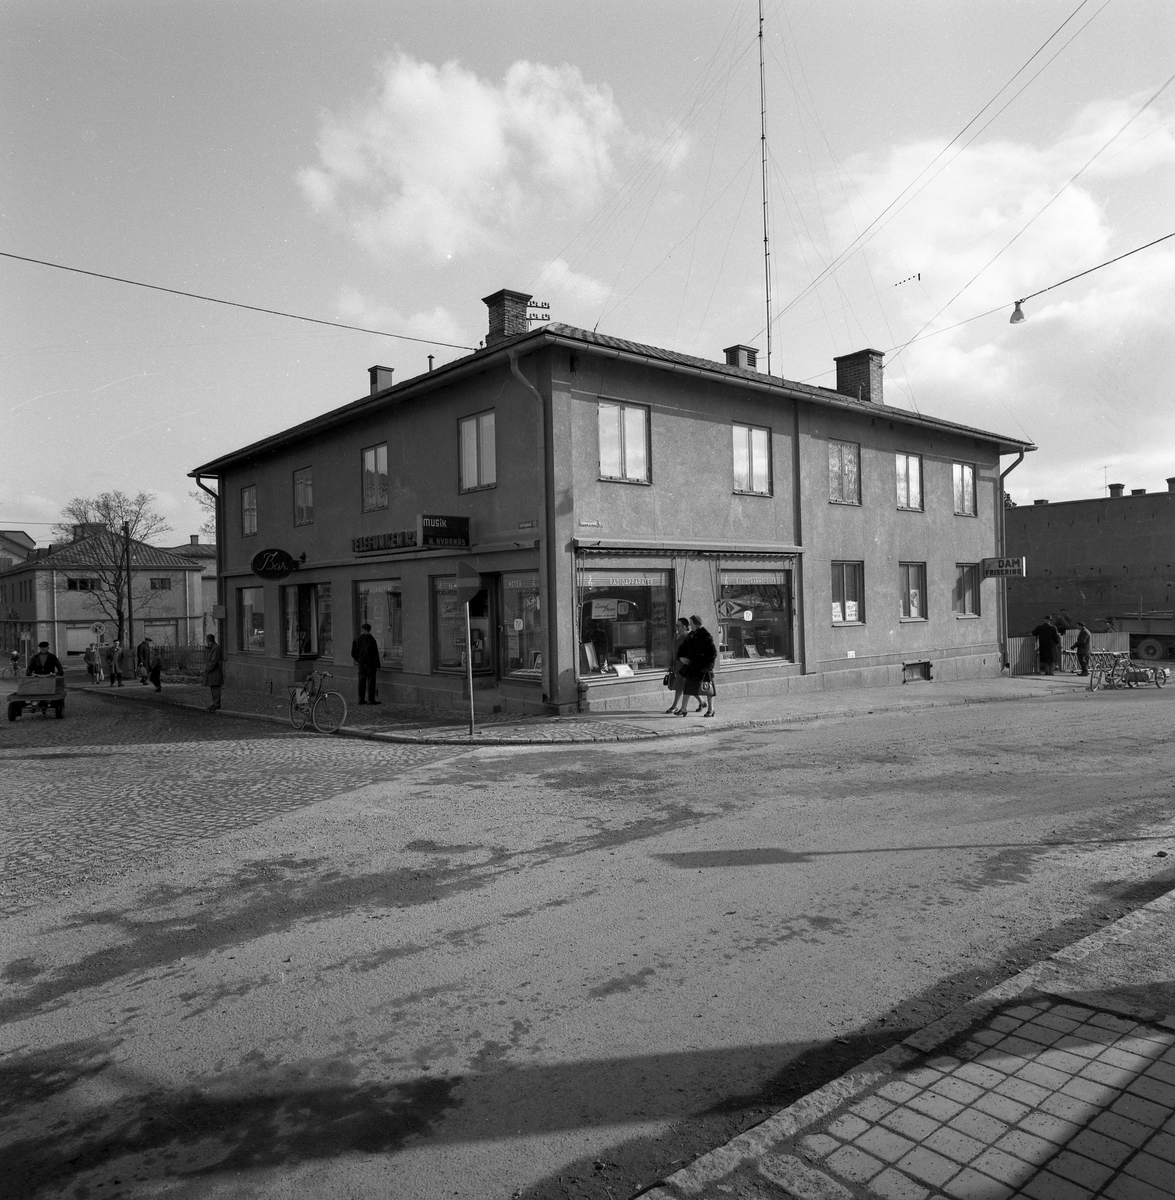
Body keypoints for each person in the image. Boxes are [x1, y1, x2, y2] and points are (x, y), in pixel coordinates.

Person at [674, 614, 718, 717]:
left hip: (703, 668)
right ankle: (683, 709)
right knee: (688, 687)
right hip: (693, 667)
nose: (690, 625)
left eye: (691, 623)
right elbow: (683, 649)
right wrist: (680, 657)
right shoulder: (691, 635)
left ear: (696, 624)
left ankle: (711, 709)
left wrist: (707, 667)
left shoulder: (705, 635)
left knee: (708, 688)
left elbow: (713, 653)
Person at [351, 622, 382, 705]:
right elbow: (375, 653)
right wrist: (377, 665)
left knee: (361, 681)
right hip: (370, 663)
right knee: (371, 681)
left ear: (362, 630)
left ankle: (361, 699)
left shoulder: (357, 639)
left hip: (361, 663)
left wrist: (359, 660)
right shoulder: (371, 639)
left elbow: (353, 653)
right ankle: (370, 700)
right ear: (369, 630)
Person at [665, 617, 691, 714]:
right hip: (677, 664)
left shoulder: (688, 637)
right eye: (676, 625)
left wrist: (685, 659)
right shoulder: (677, 636)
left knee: (679, 687)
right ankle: (702, 702)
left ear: (684, 626)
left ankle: (674, 706)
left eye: (678, 625)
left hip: (684, 666)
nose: (676, 627)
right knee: (688, 686)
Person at [203, 633, 223, 711]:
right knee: (213, 687)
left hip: (214, 671)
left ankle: (216, 703)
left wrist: (208, 669)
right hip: (212, 671)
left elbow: (214, 661)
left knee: (215, 687)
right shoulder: (212, 648)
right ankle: (215, 703)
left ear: (208, 640)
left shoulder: (215, 648)